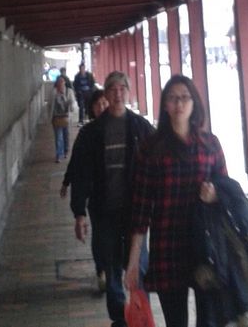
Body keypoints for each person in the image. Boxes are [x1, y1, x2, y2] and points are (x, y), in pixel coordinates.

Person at [125, 74, 227, 327]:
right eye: (172, 98)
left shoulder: (210, 145)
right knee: (176, 321)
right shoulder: (151, 149)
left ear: (194, 104)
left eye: (184, 98)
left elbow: (227, 191)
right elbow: (141, 208)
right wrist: (133, 261)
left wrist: (215, 194)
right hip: (168, 246)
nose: (179, 104)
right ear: (165, 105)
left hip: (205, 246)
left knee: (210, 319)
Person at [71, 71, 154, 327]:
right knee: (111, 264)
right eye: (112, 89)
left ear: (128, 92)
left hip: (135, 212)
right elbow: (81, 173)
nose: (118, 94)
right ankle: (120, 318)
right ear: (105, 94)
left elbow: (161, 159)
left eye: (122, 89)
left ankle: (140, 316)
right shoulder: (91, 133)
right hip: (104, 211)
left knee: (138, 265)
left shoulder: (141, 128)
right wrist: (79, 213)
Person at [61, 88, 109, 291]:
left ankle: (114, 270)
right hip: (97, 198)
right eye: (98, 104)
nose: (102, 107)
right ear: (91, 108)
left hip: (121, 198)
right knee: (99, 236)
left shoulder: (126, 129)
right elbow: (77, 164)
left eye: (105, 103)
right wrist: (67, 182)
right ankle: (102, 271)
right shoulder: (86, 134)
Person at [49, 75, 75, 162]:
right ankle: (59, 155)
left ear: (65, 83)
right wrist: (50, 117)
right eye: (59, 82)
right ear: (56, 83)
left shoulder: (69, 91)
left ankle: (66, 151)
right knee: (58, 137)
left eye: (62, 82)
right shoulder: (53, 93)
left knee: (66, 135)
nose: (61, 84)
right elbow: (50, 106)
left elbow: (72, 105)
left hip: (66, 118)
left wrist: (70, 103)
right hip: (56, 118)